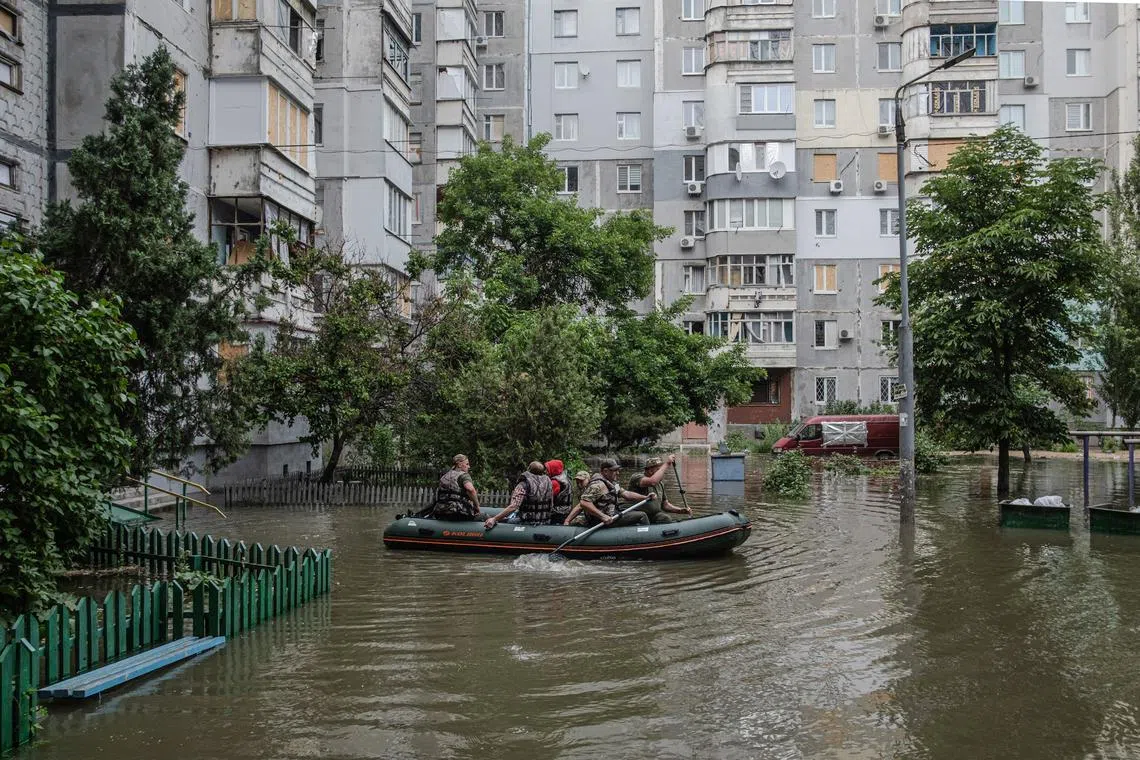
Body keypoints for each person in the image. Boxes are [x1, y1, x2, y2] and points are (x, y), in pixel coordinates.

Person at [565, 459, 652, 527]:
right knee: (642, 515)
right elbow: (584, 503)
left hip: (613, 514)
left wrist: (645, 497)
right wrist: (602, 516)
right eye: (615, 470)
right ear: (606, 471)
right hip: (602, 520)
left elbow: (626, 494)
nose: (617, 473)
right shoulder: (598, 485)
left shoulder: (611, 484)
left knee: (634, 510)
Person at [484, 461, 554, 528]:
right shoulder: (549, 484)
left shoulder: (523, 484)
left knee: (504, 521)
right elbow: (551, 504)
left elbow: (514, 506)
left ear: (528, 470)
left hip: (527, 522)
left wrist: (494, 519)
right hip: (545, 522)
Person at [627, 454, 692, 523]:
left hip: (653, 515)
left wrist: (680, 510)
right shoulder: (637, 477)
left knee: (665, 518)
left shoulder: (660, 484)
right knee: (643, 517)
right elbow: (652, 482)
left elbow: (665, 505)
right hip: (637, 514)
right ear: (650, 471)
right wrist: (667, 463)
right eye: (659, 470)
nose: (662, 472)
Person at [426, 454, 481, 521]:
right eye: (467, 464)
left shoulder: (444, 476)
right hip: (458, 512)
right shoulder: (464, 475)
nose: (469, 466)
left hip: (440, 511)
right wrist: (477, 506)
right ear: (459, 464)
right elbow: (470, 489)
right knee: (485, 518)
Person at [546, 459, 573, 526]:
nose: (546, 471)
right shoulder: (566, 478)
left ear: (553, 469)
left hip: (557, 512)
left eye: (547, 469)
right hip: (566, 510)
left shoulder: (555, 482)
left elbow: (547, 498)